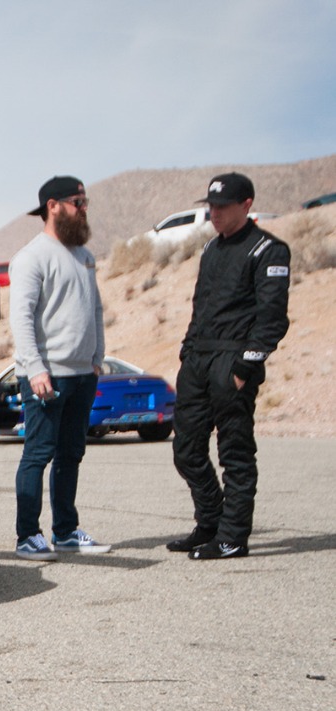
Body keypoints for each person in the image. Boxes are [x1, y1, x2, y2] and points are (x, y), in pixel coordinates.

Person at [167, 172, 291, 560]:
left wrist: (242, 367)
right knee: (186, 451)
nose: (215, 214)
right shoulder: (210, 250)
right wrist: (187, 353)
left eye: (222, 207)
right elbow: (200, 307)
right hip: (199, 360)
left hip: (232, 361)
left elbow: (272, 320)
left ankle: (233, 537)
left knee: (234, 453)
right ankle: (210, 523)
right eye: (211, 207)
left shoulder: (268, 250)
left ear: (247, 205)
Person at [8, 175, 110, 561]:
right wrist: (34, 368)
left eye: (85, 202)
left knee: (71, 454)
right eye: (77, 202)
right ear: (53, 206)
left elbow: (95, 309)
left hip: (83, 374)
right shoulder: (31, 257)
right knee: (38, 453)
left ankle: (66, 531)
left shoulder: (84, 256)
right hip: (45, 376)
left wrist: (98, 356)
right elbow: (21, 318)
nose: (83, 209)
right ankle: (27, 536)